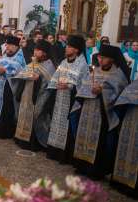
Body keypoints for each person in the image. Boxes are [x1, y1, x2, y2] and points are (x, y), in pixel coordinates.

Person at [71, 45, 129, 179]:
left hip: (103, 114)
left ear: (112, 60)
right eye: (99, 57)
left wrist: (103, 91)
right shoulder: (95, 71)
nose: (100, 60)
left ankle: (95, 170)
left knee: (99, 141)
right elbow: (84, 86)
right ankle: (81, 165)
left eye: (104, 58)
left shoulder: (118, 75)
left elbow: (120, 95)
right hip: (87, 110)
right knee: (84, 136)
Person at [46, 35, 89, 163]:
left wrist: (69, 86)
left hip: (72, 101)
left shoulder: (82, 65)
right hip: (59, 98)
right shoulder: (64, 62)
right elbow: (55, 77)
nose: (66, 48)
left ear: (76, 50)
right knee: (56, 124)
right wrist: (55, 85)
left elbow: (83, 85)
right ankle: (54, 151)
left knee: (68, 127)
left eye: (69, 46)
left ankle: (65, 156)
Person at [12, 40, 56, 151]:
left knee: (36, 117)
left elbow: (51, 83)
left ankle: (34, 143)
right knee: (23, 115)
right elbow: (21, 75)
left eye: (38, 51)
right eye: (35, 50)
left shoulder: (49, 65)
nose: (35, 53)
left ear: (45, 53)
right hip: (26, 95)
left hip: (39, 97)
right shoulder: (32, 63)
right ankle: (21, 139)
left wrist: (38, 78)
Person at [0, 35, 26, 139]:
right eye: (7, 45)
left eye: (11, 45)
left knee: (6, 109)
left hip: (9, 88)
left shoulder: (20, 58)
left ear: (16, 47)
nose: (8, 47)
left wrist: (6, 71)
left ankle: (3, 131)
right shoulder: (4, 56)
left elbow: (21, 71)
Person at [111, 79, 137, 195]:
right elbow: (122, 99)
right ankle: (121, 181)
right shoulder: (136, 82)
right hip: (130, 118)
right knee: (126, 148)